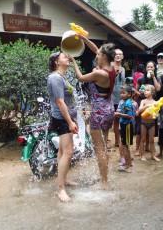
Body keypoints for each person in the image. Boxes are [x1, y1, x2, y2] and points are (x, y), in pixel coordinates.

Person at [70, 36, 116, 190]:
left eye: (98, 55)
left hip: (99, 111)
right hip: (109, 108)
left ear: (104, 57)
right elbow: (96, 48)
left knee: (99, 148)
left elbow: (81, 78)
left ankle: (104, 182)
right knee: (103, 144)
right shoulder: (112, 67)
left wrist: (74, 61)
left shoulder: (100, 74)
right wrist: (84, 38)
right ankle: (105, 178)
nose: (96, 55)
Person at [47, 52, 78, 202]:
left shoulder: (61, 77)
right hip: (61, 119)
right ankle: (60, 190)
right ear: (56, 62)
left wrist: (72, 118)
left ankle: (63, 180)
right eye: (63, 56)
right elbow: (60, 101)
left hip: (66, 118)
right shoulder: (55, 78)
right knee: (68, 152)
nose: (67, 57)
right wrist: (70, 122)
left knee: (62, 151)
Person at [137, 84, 160, 162]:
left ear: (152, 92)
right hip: (143, 123)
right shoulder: (143, 101)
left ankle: (153, 155)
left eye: (147, 90)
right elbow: (140, 110)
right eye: (145, 90)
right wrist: (146, 106)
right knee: (142, 139)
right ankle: (142, 155)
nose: (145, 92)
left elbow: (157, 113)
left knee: (152, 140)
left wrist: (155, 116)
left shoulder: (155, 102)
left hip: (152, 123)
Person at [115, 85, 134, 173]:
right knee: (125, 145)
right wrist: (119, 112)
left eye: (124, 93)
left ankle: (128, 165)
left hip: (127, 126)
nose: (121, 95)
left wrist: (119, 115)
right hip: (124, 125)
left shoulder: (127, 103)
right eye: (121, 93)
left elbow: (129, 115)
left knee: (126, 146)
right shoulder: (124, 102)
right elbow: (125, 111)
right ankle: (128, 163)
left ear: (129, 94)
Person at [112, 49, 125, 150]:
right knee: (109, 120)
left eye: (120, 54)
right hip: (110, 98)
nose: (118, 55)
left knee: (118, 120)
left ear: (123, 56)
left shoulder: (123, 69)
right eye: (116, 54)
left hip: (120, 98)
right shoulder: (110, 67)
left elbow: (123, 84)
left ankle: (117, 140)